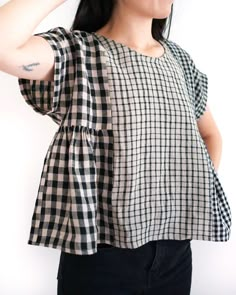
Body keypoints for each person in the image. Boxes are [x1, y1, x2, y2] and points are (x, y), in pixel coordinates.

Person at [0, 0, 232, 294]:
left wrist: (187, 191)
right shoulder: (78, 54)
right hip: (102, 259)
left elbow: (211, 135)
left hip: (176, 255)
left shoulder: (179, 60)